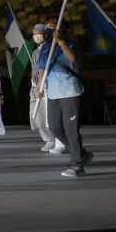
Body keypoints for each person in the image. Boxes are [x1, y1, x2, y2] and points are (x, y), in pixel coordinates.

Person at [37, 26, 93, 177]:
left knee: (71, 129)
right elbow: (42, 70)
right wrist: (39, 87)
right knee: (55, 127)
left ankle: (77, 164)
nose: (49, 30)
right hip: (53, 93)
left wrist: (60, 42)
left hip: (70, 91)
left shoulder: (70, 44)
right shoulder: (45, 49)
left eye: (53, 27)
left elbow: (72, 60)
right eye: (47, 27)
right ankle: (80, 153)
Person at [29, 23, 61, 153]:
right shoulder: (35, 52)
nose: (36, 36)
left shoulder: (51, 48)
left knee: (48, 116)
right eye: (34, 34)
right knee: (36, 116)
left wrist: (40, 86)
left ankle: (55, 140)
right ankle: (48, 138)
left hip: (46, 86)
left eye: (39, 33)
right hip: (35, 86)